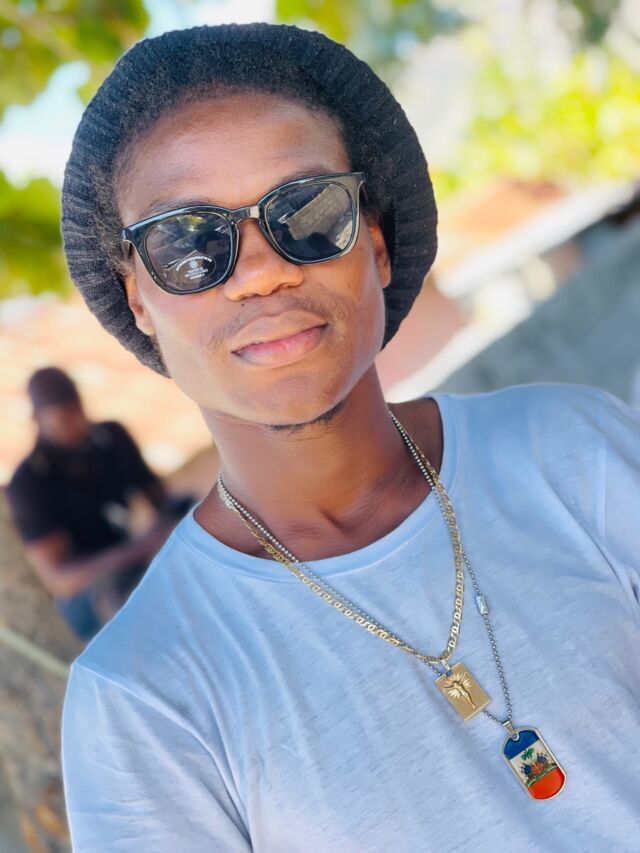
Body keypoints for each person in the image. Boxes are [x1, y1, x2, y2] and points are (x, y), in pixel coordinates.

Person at [59, 23, 639, 853]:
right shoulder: (142, 698)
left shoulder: (573, 451)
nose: (263, 269)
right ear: (140, 300)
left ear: (375, 242)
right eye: (189, 242)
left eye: (308, 209)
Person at [7, 366, 183, 639]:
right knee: (121, 602)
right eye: (64, 419)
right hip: (86, 595)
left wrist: (175, 527)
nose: (78, 423)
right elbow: (61, 581)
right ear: (38, 418)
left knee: (200, 516)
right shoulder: (29, 483)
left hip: (133, 558)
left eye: (78, 410)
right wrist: (141, 548)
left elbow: (163, 501)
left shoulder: (111, 437)